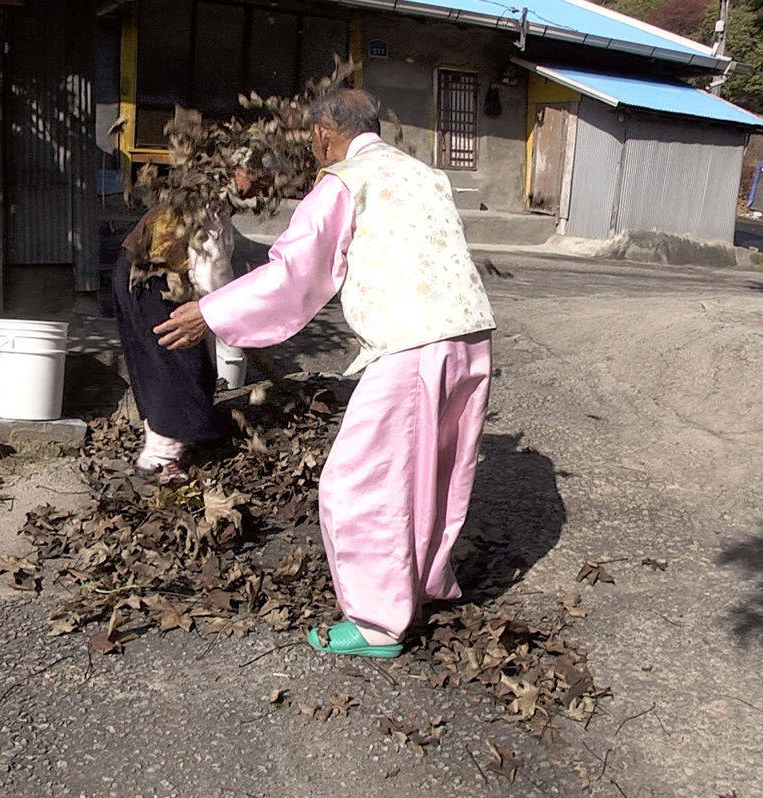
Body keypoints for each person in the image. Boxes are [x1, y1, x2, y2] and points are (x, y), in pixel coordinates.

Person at [155, 88, 496, 657]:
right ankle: (423, 583)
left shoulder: (344, 180)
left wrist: (210, 311)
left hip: (411, 343)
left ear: (320, 133)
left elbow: (296, 274)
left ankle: (377, 622)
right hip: (471, 333)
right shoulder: (426, 175)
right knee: (434, 472)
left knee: (360, 482)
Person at [113, 166, 255, 480]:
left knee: (165, 364)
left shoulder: (208, 194)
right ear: (236, 172)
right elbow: (210, 270)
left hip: (137, 273)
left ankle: (179, 438)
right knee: (174, 364)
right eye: (254, 178)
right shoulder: (209, 201)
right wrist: (225, 312)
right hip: (151, 282)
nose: (257, 189)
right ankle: (161, 457)